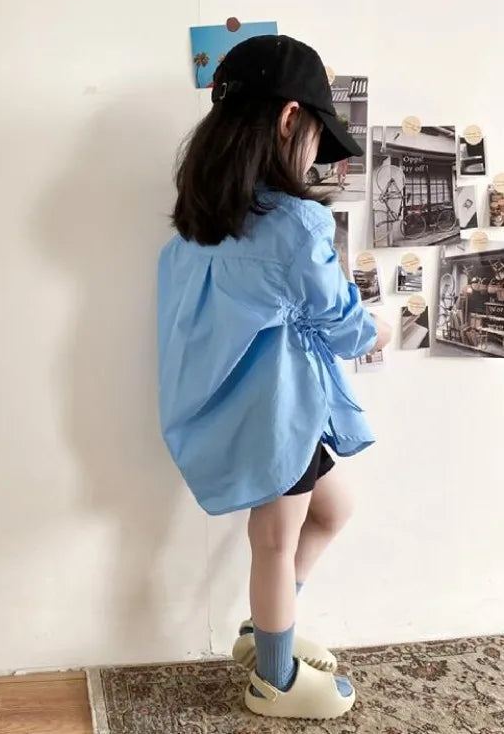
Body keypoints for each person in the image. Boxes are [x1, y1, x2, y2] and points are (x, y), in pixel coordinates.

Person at [157, 35, 392, 721]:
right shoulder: (296, 224)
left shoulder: (195, 229)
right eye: (318, 136)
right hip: (278, 411)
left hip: (246, 406)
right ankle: (275, 679)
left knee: (331, 511)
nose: (317, 155)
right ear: (291, 118)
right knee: (274, 540)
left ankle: (268, 629)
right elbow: (344, 325)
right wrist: (378, 329)